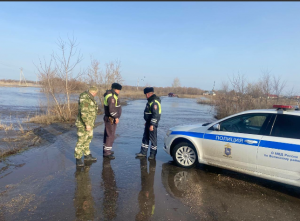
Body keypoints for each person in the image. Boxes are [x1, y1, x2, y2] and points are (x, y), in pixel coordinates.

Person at [74, 86, 99, 167]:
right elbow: (83, 112)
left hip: (90, 123)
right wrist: (87, 124)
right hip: (83, 124)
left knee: (88, 139)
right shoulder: (85, 98)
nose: (96, 95)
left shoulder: (90, 97)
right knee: (81, 140)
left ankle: (87, 155)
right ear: (93, 92)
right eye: (96, 93)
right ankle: (78, 158)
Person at [136, 87, 161, 160]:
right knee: (145, 138)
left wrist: (152, 125)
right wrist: (146, 122)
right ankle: (143, 153)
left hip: (152, 124)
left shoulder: (154, 102)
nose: (146, 96)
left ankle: (152, 155)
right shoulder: (150, 101)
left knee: (153, 139)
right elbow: (149, 113)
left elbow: (155, 115)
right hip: (148, 123)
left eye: (146, 94)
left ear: (149, 94)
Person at [103, 83, 122, 159]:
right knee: (110, 135)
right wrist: (116, 117)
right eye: (119, 90)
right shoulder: (111, 97)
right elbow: (112, 110)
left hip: (109, 118)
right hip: (111, 118)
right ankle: (107, 152)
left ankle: (107, 150)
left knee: (108, 134)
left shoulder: (110, 95)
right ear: (116, 89)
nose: (119, 92)